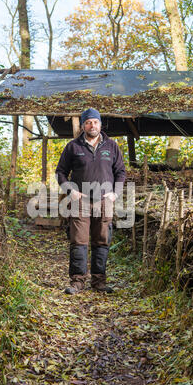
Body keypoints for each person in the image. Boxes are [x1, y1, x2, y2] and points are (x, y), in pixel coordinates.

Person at [55, 108, 126, 295]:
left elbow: (121, 172)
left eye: (95, 122)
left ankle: (99, 282)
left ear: (100, 124)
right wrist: (71, 191)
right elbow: (60, 172)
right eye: (88, 122)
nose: (92, 125)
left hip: (104, 201)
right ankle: (77, 282)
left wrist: (115, 194)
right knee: (78, 241)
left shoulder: (111, 146)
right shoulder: (73, 147)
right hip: (81, 201)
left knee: (102, 241)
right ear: (83, 125)